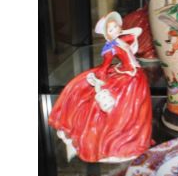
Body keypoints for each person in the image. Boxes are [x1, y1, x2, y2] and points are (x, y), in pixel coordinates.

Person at [48, 12, 153, 163]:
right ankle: (120, 144)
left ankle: (136, 141)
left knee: (139, 110)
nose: (115, 30)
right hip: (129, 78)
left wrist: (124, 31)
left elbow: (138, 32)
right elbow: (104, 67)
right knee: (124, 111)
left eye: (116, 26)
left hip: (137, 76)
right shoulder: (111, 48)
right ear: (106, 35)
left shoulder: (123, 39)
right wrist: (100, 81)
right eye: (110, 30)